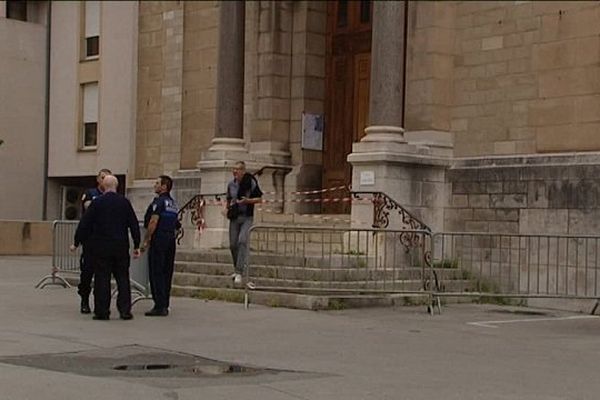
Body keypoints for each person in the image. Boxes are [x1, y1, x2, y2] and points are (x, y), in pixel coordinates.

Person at [72, 175, 141, 320]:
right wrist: (137, 244)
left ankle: (102, 311)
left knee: (102, 278)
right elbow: (133, 224)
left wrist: (77, 241)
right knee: (122, 278)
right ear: (116, 186)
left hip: (101, 246)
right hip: (120, 246)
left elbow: (85, 223)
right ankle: (125, 310)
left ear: (103, 186)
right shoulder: (124, 202)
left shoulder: (98, 203)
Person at [142, 175, 181, 317]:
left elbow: (153, 222)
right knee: (167, 272)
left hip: (159, 239)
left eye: (157, 183)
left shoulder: (158, 202)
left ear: (164, 187)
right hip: (170, 239)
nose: (155, 185)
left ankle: (159, 305)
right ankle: (165, 303)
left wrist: (146, 240)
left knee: (156, 271)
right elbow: (177, 225)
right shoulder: (173, 203)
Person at [75, 168, 112, 314]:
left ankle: (101, 303)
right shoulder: (91, 194)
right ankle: (84, 299)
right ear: (98, 180)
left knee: (102, 274)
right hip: (91, 239)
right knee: (87, 272)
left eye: (107, 177)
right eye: (102, 177)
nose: (104, 180)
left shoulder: (111, 196)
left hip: (105, 240)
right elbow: (88, 210)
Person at [224, 161, 263, 285]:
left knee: (242, 241)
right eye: (234, 169)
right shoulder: (231, 184)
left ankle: (239, 271)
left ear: (243, 171)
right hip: (234, 217)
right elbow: (228, 198)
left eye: (238, 169)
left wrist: (248, 201)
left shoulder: (250, 182)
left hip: (247, 217)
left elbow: (259, 199)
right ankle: (237, 267)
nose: (235, 171)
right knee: (233, 244)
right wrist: (226, 208)